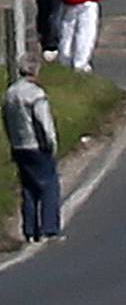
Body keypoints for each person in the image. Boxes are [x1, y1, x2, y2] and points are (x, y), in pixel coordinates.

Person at [4, 61, 61, 242]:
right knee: (49, 186)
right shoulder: (36, 95)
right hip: (36, 145)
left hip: (19, 146)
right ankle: (49, 228)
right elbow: (43, 121)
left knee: (28, 188)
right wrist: (51, 142)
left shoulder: (10, 93)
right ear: (34, 71)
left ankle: (30, 230)